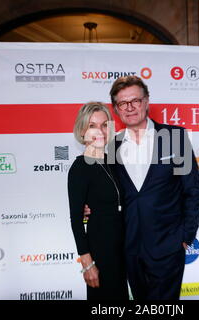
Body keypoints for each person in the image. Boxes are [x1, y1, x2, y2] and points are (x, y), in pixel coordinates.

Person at [86, 76, 199, 300]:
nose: (130, 108)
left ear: (146, 101)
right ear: (116, 109)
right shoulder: (111, 146)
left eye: (135, 101)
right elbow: (101, 189)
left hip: (168, 245)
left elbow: (192, 191)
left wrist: (186, 236)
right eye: (123, 103)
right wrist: (87, 205)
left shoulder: (174, 137)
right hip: (127, 246)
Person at [67, 102, 129, 300]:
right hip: (101, 254)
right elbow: (76, 221)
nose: (100, 131)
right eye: (92, 125)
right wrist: (88, 264)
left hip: (124, 251)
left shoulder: (114, 162)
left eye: (104, 125)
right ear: (82, 130)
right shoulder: (80, 168)